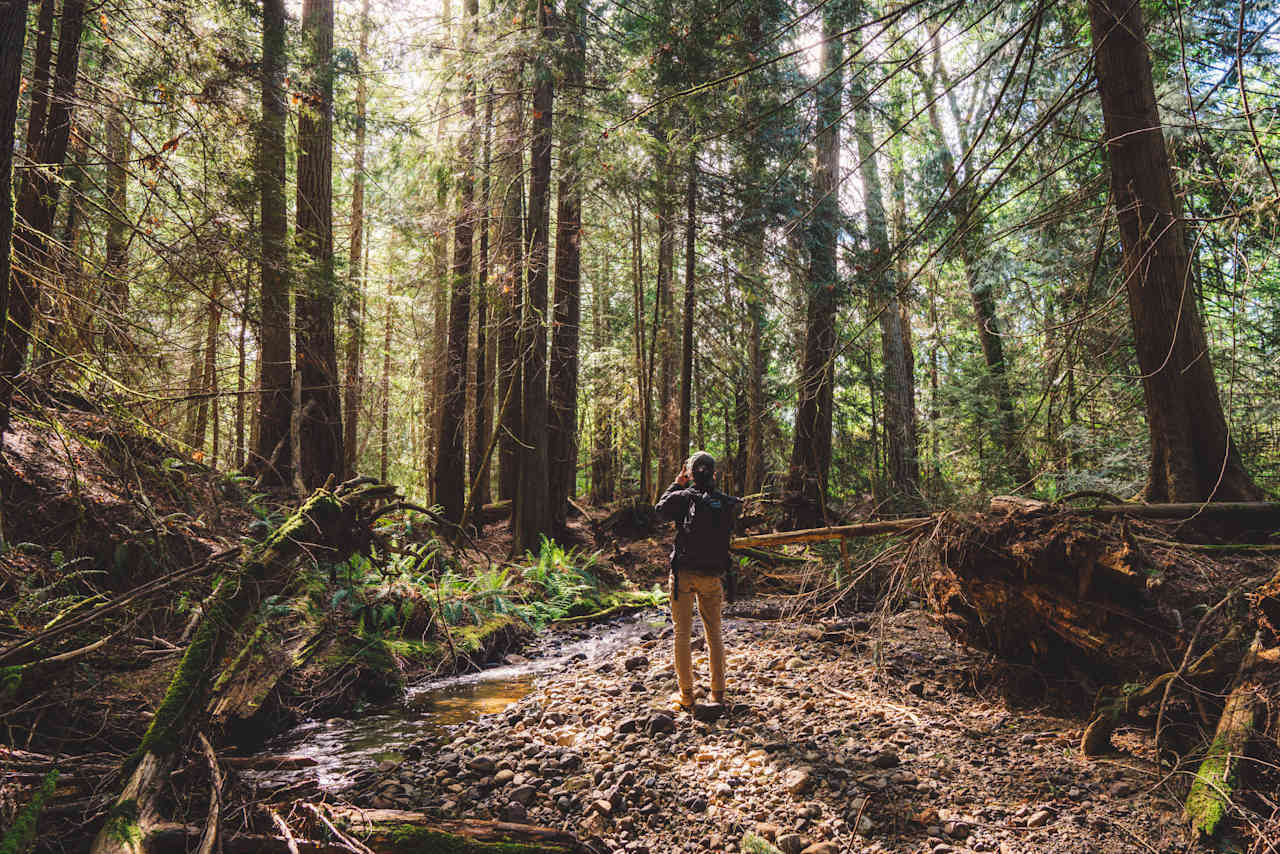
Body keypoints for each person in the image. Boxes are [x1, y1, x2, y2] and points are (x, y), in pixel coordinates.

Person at [655, 451, 741, 711]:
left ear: (690, 474)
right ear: (714, 474)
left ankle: (687, 695)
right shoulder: (727, 502)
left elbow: (659, 510)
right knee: (714, 634)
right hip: (712, 577)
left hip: (683, 575)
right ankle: (717, 693)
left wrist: (678, 483)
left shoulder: (683, 498)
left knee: (681, 634)